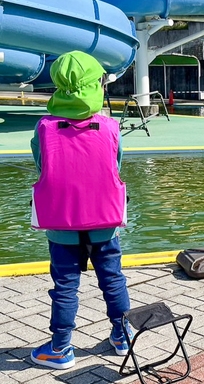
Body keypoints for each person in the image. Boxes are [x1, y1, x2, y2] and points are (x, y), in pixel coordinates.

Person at [29, 51, 132, 370]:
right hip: (105, 224)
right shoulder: (110, 127)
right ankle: (122, 336)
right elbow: (115, 166)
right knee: (113, 279)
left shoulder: (45, 128)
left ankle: (60, 348)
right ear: (96, 87)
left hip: (62, 226)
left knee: (64, 286)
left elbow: (42, 165)